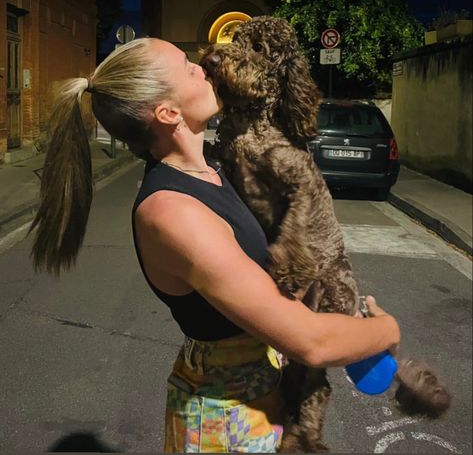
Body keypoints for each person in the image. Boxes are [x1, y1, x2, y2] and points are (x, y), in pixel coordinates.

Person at [31, 37, 400, 453]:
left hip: (257, 399)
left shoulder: (210, 171)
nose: (203, 68)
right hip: (226, 424)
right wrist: (385, 330)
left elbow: (262, 282)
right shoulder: (173, 212)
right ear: (169, 113)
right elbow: (310, 342)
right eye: (188, 69)